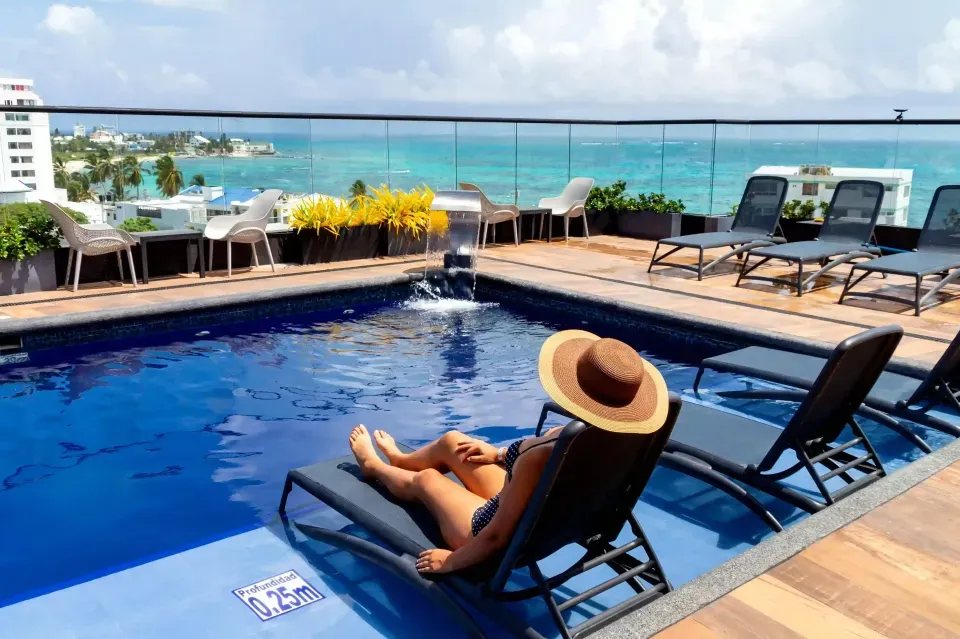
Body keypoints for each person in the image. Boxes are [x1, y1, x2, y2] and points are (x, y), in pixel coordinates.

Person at [347, 329, 670, 575]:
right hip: (538, 513)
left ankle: (373, 467)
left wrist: (452, 561)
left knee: (428, 480)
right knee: (453, 441)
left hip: (496, 535)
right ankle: (402, 461)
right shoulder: (621, 440)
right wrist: (499, 455)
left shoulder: (545, 453)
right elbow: (537, 466)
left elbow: (497, 535)